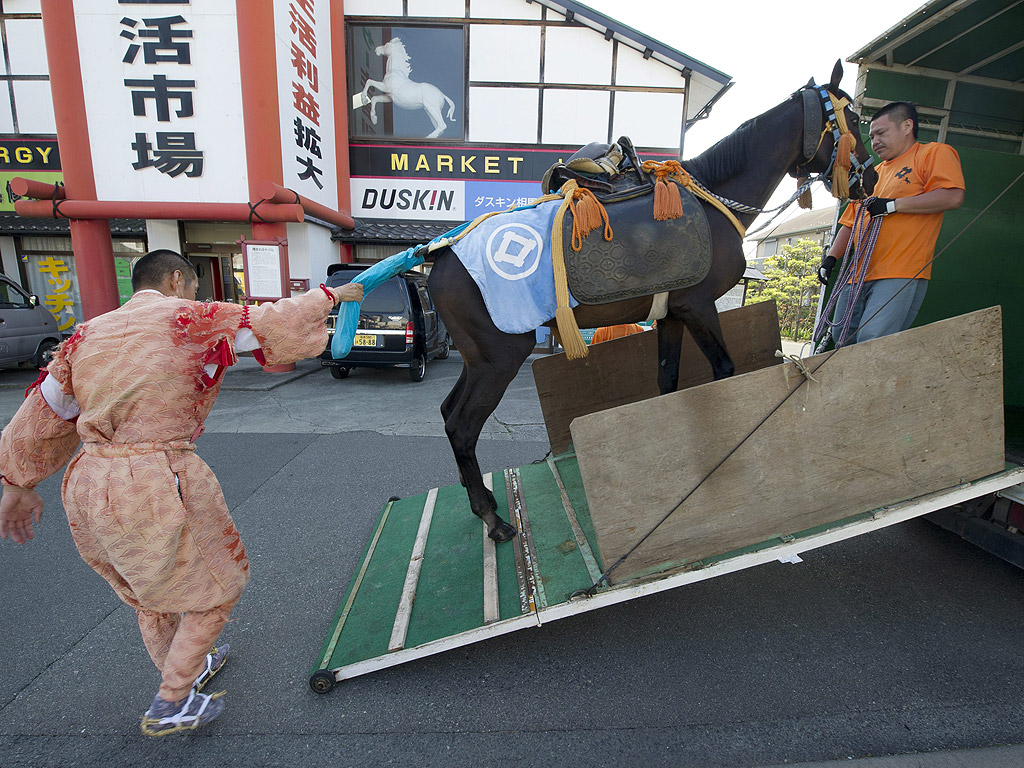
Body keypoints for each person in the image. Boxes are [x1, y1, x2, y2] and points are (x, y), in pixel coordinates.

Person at [0, 250, 362, 736]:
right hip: (156, 477)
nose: (196, 295)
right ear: (176, 280)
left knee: (149, 593)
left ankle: (189, 669)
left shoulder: (87, 335)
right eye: (193, 286)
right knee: (221, 584)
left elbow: (45, 411)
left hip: (88, 481)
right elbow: (272, 323)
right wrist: (334, 295)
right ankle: (172, 700)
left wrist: (16, 482)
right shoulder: (193, 319)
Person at [818, 101, 965, 344]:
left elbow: (953, 196)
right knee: (840, 337)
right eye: (872, 135)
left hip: (901, 270)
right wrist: (832, 258)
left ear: (907, 126)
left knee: (873, 340)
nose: (874, 141)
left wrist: (893, 205)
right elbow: (850, 221)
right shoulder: (872, 172)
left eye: (881, 133)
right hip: (857, 273)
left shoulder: (932, 153)